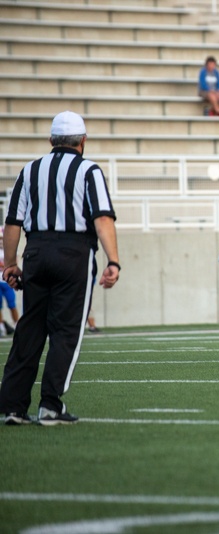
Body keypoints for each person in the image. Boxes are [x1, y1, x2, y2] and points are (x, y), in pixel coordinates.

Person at [0, 110, 120, 426]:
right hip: (74, 253)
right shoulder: (89, 170)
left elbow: (12, 221)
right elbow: (102, 217)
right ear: (83, 141)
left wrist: (11, 263)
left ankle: (12, 406)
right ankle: (50, 405)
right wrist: (113, 260)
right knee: (65, 330)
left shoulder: (30, 170)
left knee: (30, 328)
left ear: (51, 140)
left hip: (36, 251)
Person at [0, 228, 20, 337]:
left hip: (6, 281)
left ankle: (17, 324)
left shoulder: (10, 250)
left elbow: (14, 262)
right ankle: (1, 327)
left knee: (12, 304)